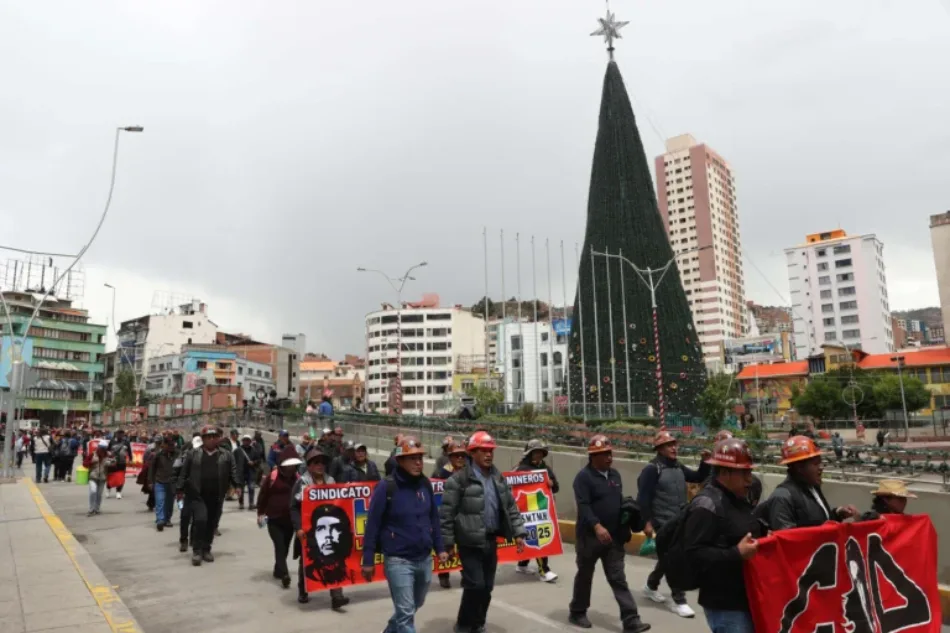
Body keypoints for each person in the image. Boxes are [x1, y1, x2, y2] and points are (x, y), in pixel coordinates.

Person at [440, 430, 526, 633]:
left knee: (487, 587)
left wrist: (519, 532)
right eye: (483, 451)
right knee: (475, 585)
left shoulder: (498, 478)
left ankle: (478, 623)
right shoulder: (458, 480)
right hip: (468, 542)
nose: (488, 455)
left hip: (490, 540)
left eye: (491, 451)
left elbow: (510, 506)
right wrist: (447, 543)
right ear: (472, 453)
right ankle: (463, 625)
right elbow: (446, 514)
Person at [362, 436, 447, 633]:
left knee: (414, 605)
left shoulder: (425, 484)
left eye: (420, 458)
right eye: (412, 459)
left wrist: (440, 547)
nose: (418, 463)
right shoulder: (386, 487)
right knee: (406, 612)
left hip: (424, 558)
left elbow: (433, 518)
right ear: (400, 461)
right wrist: (368, 560)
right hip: (398, 560)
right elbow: (372, 525)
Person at [569, 435, 650, 632]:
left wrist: (633, 518)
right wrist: (597, 526)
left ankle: (631, 620)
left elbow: (617, 502)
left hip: (614, 538)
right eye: (604, 454)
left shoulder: (615, 475)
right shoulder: (583, 478)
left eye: (610, 453)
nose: (609, 458)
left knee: (618, 578)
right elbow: (584, 506)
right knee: (585, 576)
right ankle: (578, 612)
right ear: (593, 456)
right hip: (589, 538)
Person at [683, 438, 764, 633]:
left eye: (750, 472)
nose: (749, 479)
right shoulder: (707, 505)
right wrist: (736, 553)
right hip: (726, 607)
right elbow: (693, 554)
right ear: (725, 473)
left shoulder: (738, 499)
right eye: (744, 473)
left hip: (746, 598)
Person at [637, 431, 711, 618]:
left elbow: (697, 477)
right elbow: (643, 499)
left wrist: (705, 462)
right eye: (669, 445)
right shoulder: (652, 469)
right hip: (662, 522)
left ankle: (650, 586)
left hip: (679, 520)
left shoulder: (678, 466)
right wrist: (646, 523)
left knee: (666, 558)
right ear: (660, 449)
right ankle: (679, 600)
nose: (674, 448)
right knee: (675, 559)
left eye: (674, 444)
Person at [290, 446, 349, 609]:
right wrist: (298, 527)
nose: (320, 466)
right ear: (309, 465)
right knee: (307, 560)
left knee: (334, 559)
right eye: (316, 462)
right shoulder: (302, 482)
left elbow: (339, 503)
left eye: (322, 463)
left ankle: (337, 596)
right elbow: (293, 507)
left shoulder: (331, 481)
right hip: (308, 530)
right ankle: (303, 590)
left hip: (328, 528)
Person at [763, 435, 858, 531]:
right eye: (816, 463)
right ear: (799, 467)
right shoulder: (782, 498)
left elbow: (819, 523)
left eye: (820, 462)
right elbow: (787, 537)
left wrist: (838, 514)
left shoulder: (813, 487)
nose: (821, 467)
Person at [176, 426, 239, 566]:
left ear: (218, 438)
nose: (211, 440)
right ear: (203, 439)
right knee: (200, 520)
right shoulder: (193, 454)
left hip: (216, 495)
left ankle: (206, 549)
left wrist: (237, 485)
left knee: (211, 523)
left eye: (214, 437)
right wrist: (179, 489)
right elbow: (184, 473)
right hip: (198, 495)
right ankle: (197, 551)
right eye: (208, 437)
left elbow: (233, 471)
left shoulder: (226, 455)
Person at [514, 439, 560, 583]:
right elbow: (512, 487)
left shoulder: (546, 469)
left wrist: (551, 484)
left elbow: (556, 487)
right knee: (534, 538)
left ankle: (522, 564)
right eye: (535, 452)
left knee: (537, 537)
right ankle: (544, 571)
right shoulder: (521, 469)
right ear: (529, 454)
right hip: (525, 510)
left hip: (541, 509)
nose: (538, 455)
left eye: (541, 452)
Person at [257, 446, 301, 589]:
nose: (291, 468)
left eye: (293, 465)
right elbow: (263, 495)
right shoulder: (273, 476)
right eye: (289, 465)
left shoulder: (298, 479)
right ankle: (285, 575)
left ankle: (278, 569)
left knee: (285, 547)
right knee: (280, 546)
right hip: (274, 520)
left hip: (290, 521)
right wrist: (260, 513)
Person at [432, 440, 467, 589]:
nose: (460, 458)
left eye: (462, 455)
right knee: (446, 546)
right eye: (456, 455)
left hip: (464, 517)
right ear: (450, 457)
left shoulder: (470, 472)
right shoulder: (441, 473)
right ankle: (444, 574)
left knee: (466, 547)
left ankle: (466, 575)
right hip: (447, 516)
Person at [177, 433, 203, 552]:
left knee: (197, 518)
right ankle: (183, 540)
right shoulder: (187, 452)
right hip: (186, 491)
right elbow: (180, 472)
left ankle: (193, 538)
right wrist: (179, 489)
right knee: (185, 516)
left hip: (200, 492)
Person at [148, 435, 179, 531]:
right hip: (160, 482)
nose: (171, 447)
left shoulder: (178, 454)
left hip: (172, 483)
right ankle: (160, 520)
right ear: (164, 445)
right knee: (159, 501)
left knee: (169, 503)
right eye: (169, 445)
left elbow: (181, 468)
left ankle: (167, 519)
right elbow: (152, 468)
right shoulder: (158, 455)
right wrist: (150, 481)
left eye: (173, 445)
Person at [83, 442, 115, 516]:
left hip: (102, 478)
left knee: (99, 494)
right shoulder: (92, 454)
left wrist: (111, 463)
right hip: (93, 477)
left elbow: (114, 463)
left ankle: (97, 509)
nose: (102, 450)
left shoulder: (108, 455)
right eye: (101, 448)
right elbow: (84, 464)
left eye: (104, 448)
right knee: (93, 491)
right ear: (98, 447)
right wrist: (91, 462)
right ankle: (91, 509)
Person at [237, 434, 261, 510]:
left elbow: (259, 460)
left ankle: (251, 503)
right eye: (245, 440)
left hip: (251, 472)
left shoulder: (254, 450)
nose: (246, 441)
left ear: (250, 441)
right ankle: (241, 503)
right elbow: (233, 461)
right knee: (240, 488)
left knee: (251, 488)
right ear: (242, 441)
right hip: (241, 472)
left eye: (248, 440)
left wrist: (253, 462)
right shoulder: (238, 450)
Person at [107, 429, 130, 499]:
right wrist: (109, 454)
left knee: (121, 477)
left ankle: (118, 492)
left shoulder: (126, 442)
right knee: (111, 476)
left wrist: (131, 459)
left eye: (121, 434)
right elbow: (107, 450)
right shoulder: (112, 441)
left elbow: (129, 451)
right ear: (116, 434)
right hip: (113, 462)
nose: (120, 435)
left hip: (122, 462)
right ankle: (108, 488)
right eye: (119, 433)